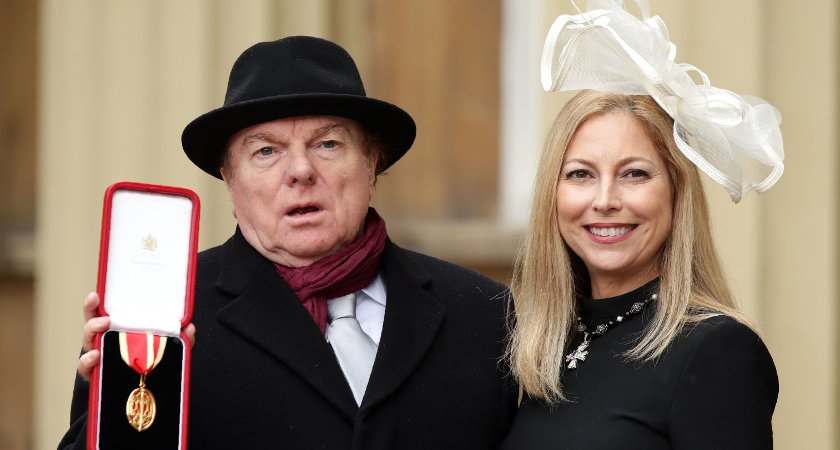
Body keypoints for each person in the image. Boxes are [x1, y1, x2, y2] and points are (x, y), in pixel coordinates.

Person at [59, 35, 516, 449]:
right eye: (266, 151)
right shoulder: (157, 319)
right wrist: (122, 408)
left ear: (372, 162)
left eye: (328, 144)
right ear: (230, 180)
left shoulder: (487, 315)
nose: (300, 170)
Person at [499, 2, 782, 449]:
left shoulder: (715, 350)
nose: (606, 200)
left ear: (676, 193)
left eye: (634, 174)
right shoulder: (535, 349)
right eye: (580, 174)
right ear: (551, 196)